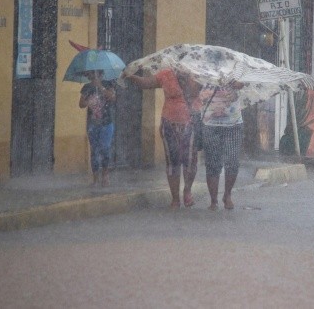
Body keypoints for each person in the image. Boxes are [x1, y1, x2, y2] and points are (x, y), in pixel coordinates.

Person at [125, 68, 202, 208]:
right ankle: (175, 198)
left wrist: (186, 79)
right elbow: (147, 83)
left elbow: (195, 93)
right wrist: (132, 77)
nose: (179, 66)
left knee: (190, 160)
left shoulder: (197, 74)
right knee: (172, 161)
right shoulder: (166, 74)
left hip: (191, 122)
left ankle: (187, 192)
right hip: (169, 122)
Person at [197, 80, 245, 210]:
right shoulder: (203, 67)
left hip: (233, 123)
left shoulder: (236, 65)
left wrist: (239, 83)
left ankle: (227, 194)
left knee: (232, 161)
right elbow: (195, 86)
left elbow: (243, 82)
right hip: (209, 123)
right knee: (212, 163)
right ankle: (213, 200)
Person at [78, 70, 117, 187]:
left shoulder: (107, 84)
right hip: (92, 124)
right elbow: (81, 104)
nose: (91, 76)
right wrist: (88, 102)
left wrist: (100, 87)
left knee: (105, 149)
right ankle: (95, 178)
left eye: (94, 74)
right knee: (94, 151)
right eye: (90, 74)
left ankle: (105, 175)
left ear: (100, 74)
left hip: (106, 123)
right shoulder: (86, 87)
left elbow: (112, 98)